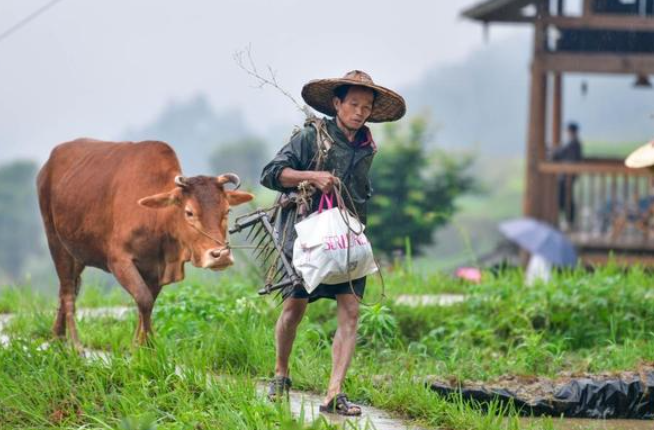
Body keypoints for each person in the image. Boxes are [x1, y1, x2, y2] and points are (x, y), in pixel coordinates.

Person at [259, 70, 406, 416]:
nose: (359, 111)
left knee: (351, 312)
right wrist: (312, 176)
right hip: (306, 236)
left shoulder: (367, 145)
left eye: (366, 106)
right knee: (294, 309)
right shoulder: (312, 136)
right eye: (353, 104)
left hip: (349, 237)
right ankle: (281, 372)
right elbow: (271, 173)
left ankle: (333, 393)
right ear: (337, 103)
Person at [552, 122, 583, 226]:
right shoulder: (574, 143)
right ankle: (568, 219)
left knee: (566, 198)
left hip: (567, 176)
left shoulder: (574, 144)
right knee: (566, 197)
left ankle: (568, 220)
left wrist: (554, 151)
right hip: (567, 176)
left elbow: (561, 153)